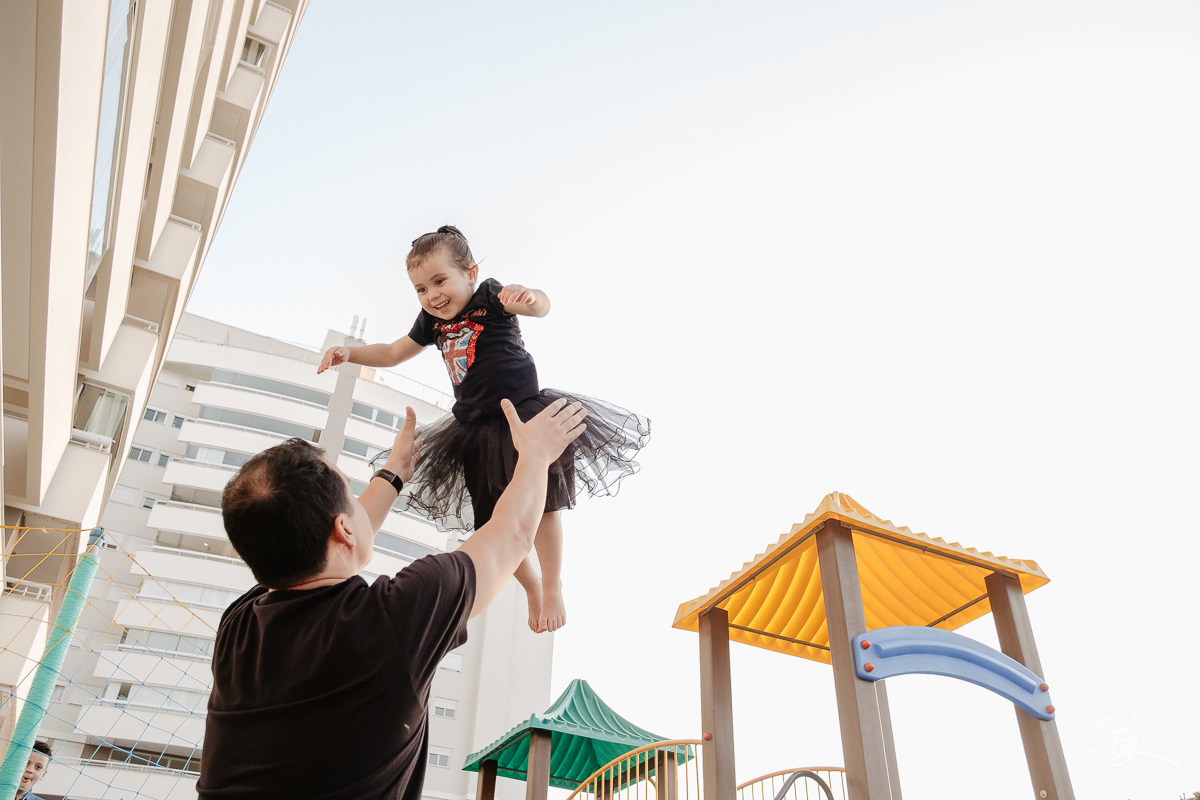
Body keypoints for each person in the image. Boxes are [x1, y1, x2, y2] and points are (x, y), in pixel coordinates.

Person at [196, 398, 586, 800]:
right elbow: (513, 533)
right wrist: (537, 454)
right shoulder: (394, 618)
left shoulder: (238, 628)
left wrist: (394, 472)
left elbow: (328, 538)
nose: (358, 504)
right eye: (352, 495)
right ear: (344, 529)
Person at [318, 225, 649, 633]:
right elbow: (391, 352)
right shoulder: (430, 322)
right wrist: (350, 353)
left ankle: (551, 583)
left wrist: (528, 297)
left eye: (440, 281)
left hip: (524, 416)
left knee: (544, 504)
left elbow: (541, 307)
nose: (432, 295)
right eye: (421, 289)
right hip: (475, 430)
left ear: (470, 273)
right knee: (492, 521)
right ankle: (530, 586)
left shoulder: (490, 296)